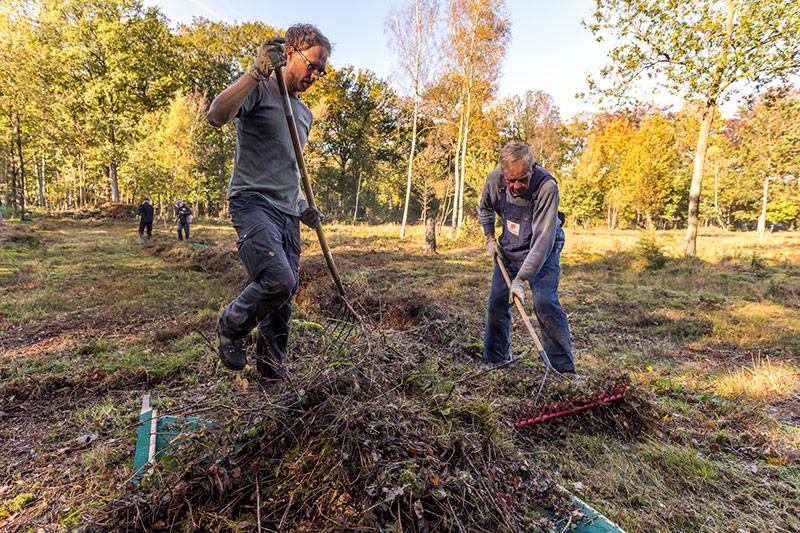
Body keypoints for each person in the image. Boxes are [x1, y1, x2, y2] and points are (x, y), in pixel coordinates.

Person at [206, 24, 329, 380]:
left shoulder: (304, 114)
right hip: (253, 203)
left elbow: (291, 169)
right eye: (314, 64)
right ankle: (231, 326)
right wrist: (255, 72)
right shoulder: (259, 88)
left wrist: (303, 205)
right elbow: (216, 115)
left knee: (283, 302)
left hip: (288, 212)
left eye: (323, 69)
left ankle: (271, 373)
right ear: (291, 53)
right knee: (278, 279)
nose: (317, 74)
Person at [478, 141, 575, 374]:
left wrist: (520, 280)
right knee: (497, 303)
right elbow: (485, 208)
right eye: (510, 181)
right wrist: (490, 237)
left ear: (533, 168)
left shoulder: (546, 187)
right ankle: (495, 361)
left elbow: (543, 240)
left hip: (544, 248)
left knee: (545, 302)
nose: (516, 186)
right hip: (510, 247)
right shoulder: (494, 180)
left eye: (523, 179)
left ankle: (563, 370)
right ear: (503, 174)